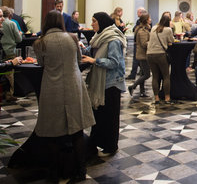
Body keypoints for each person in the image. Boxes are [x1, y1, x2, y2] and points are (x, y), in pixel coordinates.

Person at [33, 10, 95, 182]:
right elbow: (78, 59)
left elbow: (41, 63)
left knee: (52, 130)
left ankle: (54, 172)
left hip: (52, 86)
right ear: (61, 21)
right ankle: (81, 170)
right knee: (76, 130)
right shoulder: (72, 38)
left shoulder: (40, 42)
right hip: (73, 84)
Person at [81, 12, 127, 157]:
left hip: (111, 83)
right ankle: (96, 143)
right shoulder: (98, 38)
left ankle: (110, 146)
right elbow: (91, 52)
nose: (92, 24)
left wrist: (94, 61)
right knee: (99, 116)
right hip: (101, 83)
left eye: (94, 21)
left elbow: (114, 62)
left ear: (101, 22)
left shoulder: (112, 39)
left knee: (109, 117)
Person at [147, 13, 174, 105]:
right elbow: (171, 41)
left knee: (155, 76)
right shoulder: (168, 29)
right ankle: (167, 98)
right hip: (161, 54)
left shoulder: (154, 28)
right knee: (166, 76)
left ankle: (156, 98)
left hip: (150, 54)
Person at [0, 6, 22, 102]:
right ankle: (9, 94)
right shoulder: (12, 24)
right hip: (9, 51)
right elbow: (19, 39)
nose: (2, 20)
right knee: (9, 74)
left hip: (3, 52)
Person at [128, 13, 151, 98]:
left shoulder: (142, 29)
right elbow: (144, 44)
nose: (150, 20)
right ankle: (132, 86)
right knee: (147, 74)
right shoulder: (142, 31)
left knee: (142, 74)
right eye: (149, 18)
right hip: (143, 55)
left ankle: (142, 92)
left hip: (141, 54)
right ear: (146, 20)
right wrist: (152, 43)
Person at [126, 7, 147, 80]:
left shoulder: (140, 21)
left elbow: (134, 29)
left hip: (138, 43)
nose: (137, 13)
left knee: (136, 60)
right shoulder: (142, 21)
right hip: (141, 43)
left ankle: (133, 74)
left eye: (137, 12)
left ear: (141, 13)